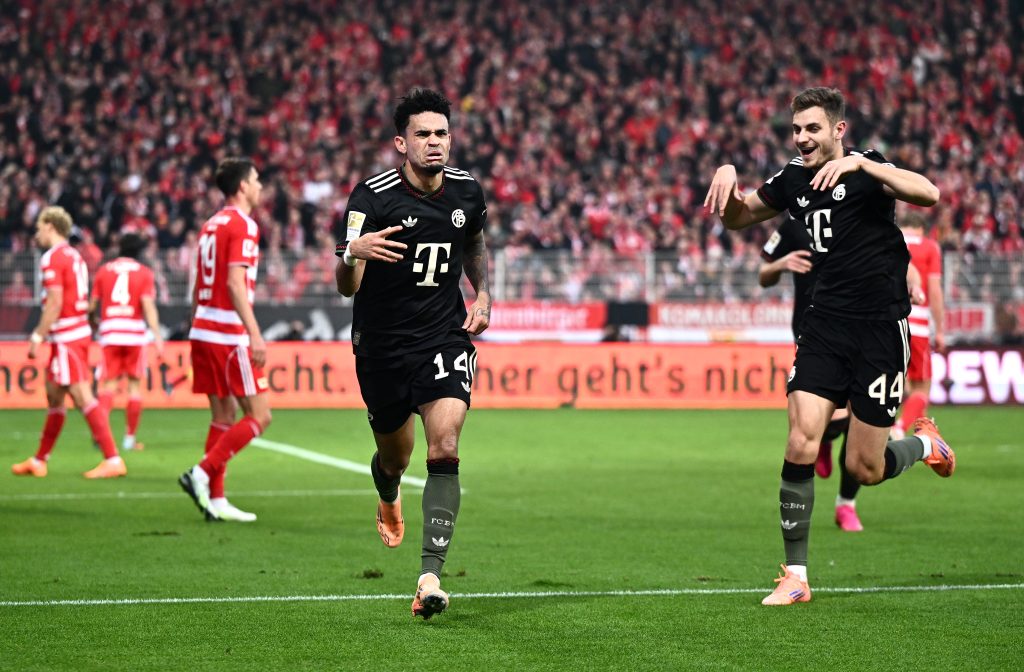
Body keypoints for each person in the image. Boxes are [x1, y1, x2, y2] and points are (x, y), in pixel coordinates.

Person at [705, 87, 955, 606]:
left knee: (866, 467)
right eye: (796, 129)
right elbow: (737, 217)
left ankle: (926, 445)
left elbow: (928, 193)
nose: (802, 138)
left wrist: (867, 170)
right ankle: (796, 576)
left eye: (813, 129)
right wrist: (728, 175)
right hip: (823, 327)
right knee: (801, 440)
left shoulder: (867, 170)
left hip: (880, 330)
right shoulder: (793, 178)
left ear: (838, 130)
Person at [335, 89, 491, 619]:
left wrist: (483, 292)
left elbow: (472, 242)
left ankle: (429, 578)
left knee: (444, 445)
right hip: (381, 346)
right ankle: (387, 490)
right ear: (402, 142)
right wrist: (352, 253)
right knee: (396, 458)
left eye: (441, 133)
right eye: (423, 134)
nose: (434, 143)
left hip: (443, 336)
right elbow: (345, 284)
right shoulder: (369, 198)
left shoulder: (468, 191)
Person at [178, 157, 271, 523]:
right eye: (257, 179)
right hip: (228, 332)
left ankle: (215, 499)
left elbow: (200, 281)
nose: (261, 186)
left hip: (202, 327)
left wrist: (193, 322)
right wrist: (255, 332)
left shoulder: (209, 225)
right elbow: (234, 283)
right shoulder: (243, 225)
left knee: (223, 415)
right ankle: (201, 473)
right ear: (243, 186)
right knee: (260, 416)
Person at [11, 206, 126, 479]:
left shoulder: (52, 258)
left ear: (50, 226)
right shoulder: (75, 256)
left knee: (81, 394)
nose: (37, 233)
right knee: (54, 394)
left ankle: (112, 458)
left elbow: (55, 302)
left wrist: (38, 335)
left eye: (39, 227)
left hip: (67, 336)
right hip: (74, 333)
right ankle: (39, 460)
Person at [758, 221, 858, 531]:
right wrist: (780, 264)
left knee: (858, 423)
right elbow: (763, 276)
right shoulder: (794, 225)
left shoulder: (858, 213)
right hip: (811, 330)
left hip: (860, 327)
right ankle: (825, 438)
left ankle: (846, 505)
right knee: (833, 418)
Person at [90, 233, 165, 450]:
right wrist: (158, 337)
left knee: (109, 385)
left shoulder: (104, 270)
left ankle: (100, 434)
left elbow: (92, 305)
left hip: (111, 332)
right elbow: (148, 307)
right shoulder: (144, 273)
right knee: (134, 387)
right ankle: (129, 440)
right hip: (133, 334)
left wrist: (93, 322)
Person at [892, 212, 945, 438]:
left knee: (890, 381)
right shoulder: (929, 247)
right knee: (922, 387)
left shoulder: (890, 240)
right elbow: (933, 289)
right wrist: (940, 330)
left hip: (888, 320)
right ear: (922, 228)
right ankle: (899, 428)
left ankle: (889, 426)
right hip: (918, 323)